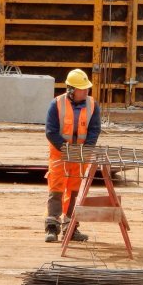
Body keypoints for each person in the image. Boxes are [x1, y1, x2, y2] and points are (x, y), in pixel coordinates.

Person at [44, 68, 101, 243]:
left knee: (75, 191)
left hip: (81, 155)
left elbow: (94, 130)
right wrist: (65, 148)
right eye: (82, 88)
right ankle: (52, 227)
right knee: (56, 189)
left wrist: (85, 149)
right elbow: (51, 131)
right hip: (59, 154)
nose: (86, 91)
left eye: (86, 88)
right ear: (71, 90)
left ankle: (71, 227)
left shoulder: (92, 105)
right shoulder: (57, 104)